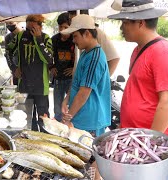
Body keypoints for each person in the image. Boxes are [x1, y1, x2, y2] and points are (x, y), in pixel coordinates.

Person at [108, 0, 168, 138]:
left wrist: (150, 142)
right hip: (135, 134)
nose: (121, 28)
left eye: (125, 22)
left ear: (140, 22)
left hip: (152, 140)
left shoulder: (163, 51)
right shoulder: (138, 50)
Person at [60, 14, 110, 180]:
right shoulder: (85, 53)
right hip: (82, 117)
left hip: (91, 119)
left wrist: (68, 117)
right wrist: (66, 99)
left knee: (91, 160)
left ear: (87, 33)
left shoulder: (95, 56)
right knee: (86, 160)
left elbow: (84, 92)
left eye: (75, 36)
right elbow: (76, 83)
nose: (73, 40)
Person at [6, 14, 53, 131]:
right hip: (24, 84)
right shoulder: (20, 36)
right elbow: (8, 51)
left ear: (40, 27)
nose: (29, 32)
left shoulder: (46, 38)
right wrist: (13, 68)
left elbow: (48, 59)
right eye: (28, 29)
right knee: (26, 117)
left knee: (43, 118)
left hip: (41, 85)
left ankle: (44, 141)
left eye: (33, 29)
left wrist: (38, 39)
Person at [68, 11, 120, 76]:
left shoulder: (97, 33)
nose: (71, 23)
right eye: (70, 20)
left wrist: (104, 81)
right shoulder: (77, 35)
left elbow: (114, 58)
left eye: (75, 19)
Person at [50, 12, 75, 122]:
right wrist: (51, 67)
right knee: (58, 107)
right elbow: (49, 55)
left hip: (71, 79)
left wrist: (74, 68)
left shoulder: (75, 39)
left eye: (66, 27)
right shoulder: (54, 39)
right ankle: (58, 126)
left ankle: (69, 125)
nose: (63, 29)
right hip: (58, 78)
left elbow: (79, 57)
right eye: (60, 27)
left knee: (71, 105)